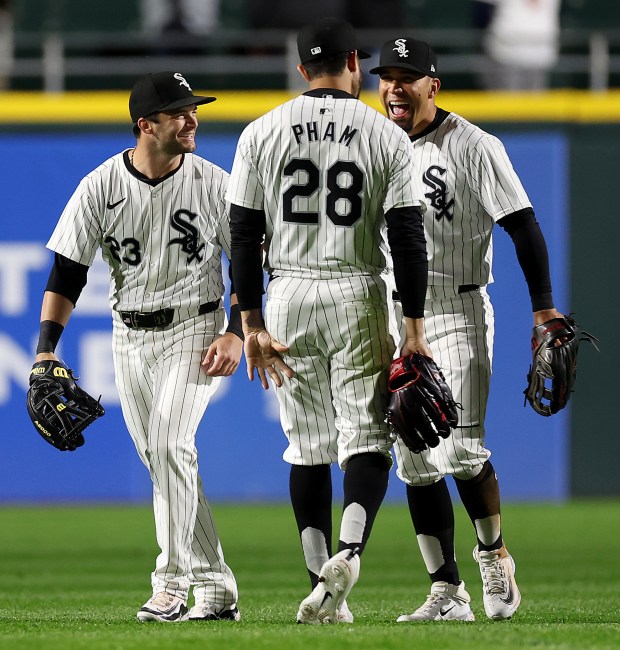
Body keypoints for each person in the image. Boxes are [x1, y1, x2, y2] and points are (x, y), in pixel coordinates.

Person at [226, 17, 431, 624]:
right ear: (353, 62)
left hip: (286, 293)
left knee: (305, 447)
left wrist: (250, 323)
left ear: (300, 71)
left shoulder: (260, 132)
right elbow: (409, 238)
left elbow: (242, 234)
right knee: (366, 441)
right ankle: (350, 551)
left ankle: (320, 580)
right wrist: (414, 329)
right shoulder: (385, 134)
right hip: (356, 288)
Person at [33, 71, 242, 624]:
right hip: (129, 335)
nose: (192, 119)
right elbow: (66, 273)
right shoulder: (101, 186)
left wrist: (238, 331)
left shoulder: (214, 183)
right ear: (146, 125)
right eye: (179, 112)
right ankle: (216, 588)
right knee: (164, 461)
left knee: (171, 444)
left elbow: (248, 261)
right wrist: (44, 351)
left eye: (193, 109)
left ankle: (170, 585)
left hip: (197, 327)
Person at [370, 37, 566, 621]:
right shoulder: (374, 145)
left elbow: (523, 226)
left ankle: (493, 554)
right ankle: (446, 589)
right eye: (387, 76)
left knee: (459, 448)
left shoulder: (474, 146)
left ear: (434, 85)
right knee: (411, 455)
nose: (394, 87)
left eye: (408, 76)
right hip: (392, 310)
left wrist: (543, 308)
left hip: (456, 309)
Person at [473, 0, 562, 91]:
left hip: (540, 53)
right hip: (507, 54)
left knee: (536, 101)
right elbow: (482, 11)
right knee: (508, 99)